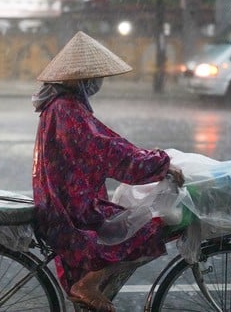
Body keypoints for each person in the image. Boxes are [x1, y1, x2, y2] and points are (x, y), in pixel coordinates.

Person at [31, 31, 184, 312]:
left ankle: (89, 287)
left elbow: (108, 145)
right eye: (94, 76)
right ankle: (88, 285)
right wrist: (159, 164)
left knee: (128, 224)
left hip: (68, 203)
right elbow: (110, 152)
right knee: (148, 231)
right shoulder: (67, 110)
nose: (97, 83)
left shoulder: (61, 105)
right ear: (78, 79)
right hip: (72, 213)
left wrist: (151, 157)